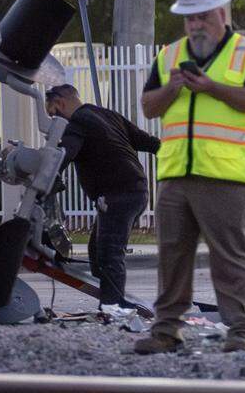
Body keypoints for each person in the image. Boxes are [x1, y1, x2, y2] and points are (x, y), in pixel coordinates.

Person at [133, 0, 245, 355]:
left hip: (225, 175)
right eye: (191, 17)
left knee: (230, 258)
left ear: (221, 13)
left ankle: (242, 330)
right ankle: (166, 330)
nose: (197, 24)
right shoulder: (169, 57)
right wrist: (174, 86)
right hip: (176, 174)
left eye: (204, 15)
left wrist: (211, 87)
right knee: (172, 257)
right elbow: (148, 107)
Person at [45, 84, 160, 308]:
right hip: (136, 190)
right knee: (97, 252)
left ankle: (112, 307)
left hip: (118, 193)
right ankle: (110, 298)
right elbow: (146, 141)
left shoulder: (77, 122)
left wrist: (47, 175)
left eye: (53, 114)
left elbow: (65, 154)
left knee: (109, 253)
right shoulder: (107, 115)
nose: (54, 121)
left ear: (60, 103)